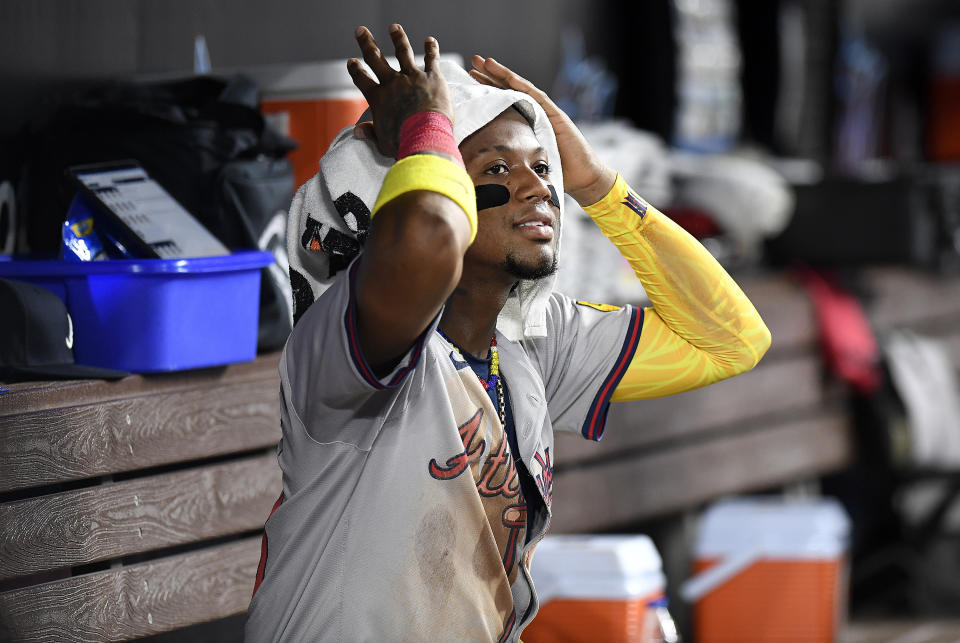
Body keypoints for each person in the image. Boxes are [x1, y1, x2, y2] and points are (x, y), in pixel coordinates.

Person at [245, 23, 771, 642]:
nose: (539, 187)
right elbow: (429, 242)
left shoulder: (528, 343)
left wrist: (598, 184)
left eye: (543, 167)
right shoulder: (352, 333)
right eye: (497, 167)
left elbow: (731, 340)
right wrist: (426, 127)